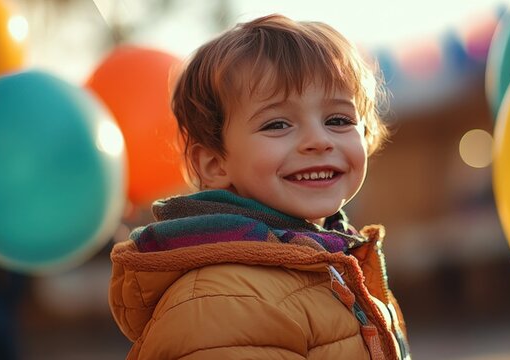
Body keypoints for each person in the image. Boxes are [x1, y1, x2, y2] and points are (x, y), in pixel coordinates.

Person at [108, 14, 410, 359]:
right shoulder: (222, 300)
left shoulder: (338, 261)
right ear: (215, 163)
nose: (318, 140)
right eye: (277, 124)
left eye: (338, 120)